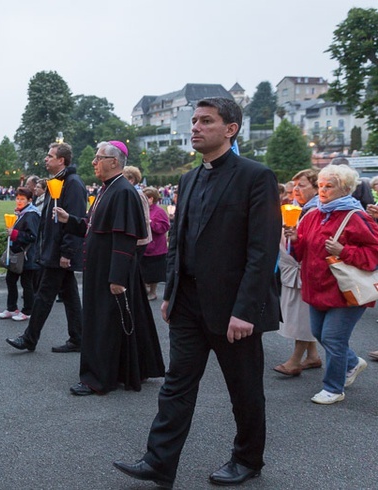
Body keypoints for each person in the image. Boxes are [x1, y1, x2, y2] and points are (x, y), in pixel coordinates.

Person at [113, 98, 281, 488]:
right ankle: (159, 462)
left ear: (231, 129)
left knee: (244, 390)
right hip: (188, 303)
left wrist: (246, 310)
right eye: (194, 120)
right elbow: (177, 243)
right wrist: (170, 292)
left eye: (207, 121)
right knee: (177, 386)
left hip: (234, 309)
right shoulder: (189, 179)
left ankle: (248, 459)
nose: (196, 127)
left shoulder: (256, 176)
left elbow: (263, 249)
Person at [54, 141, 165, 396]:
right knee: (111, 323)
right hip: (103, 269)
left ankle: (97, 379)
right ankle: (121, 371)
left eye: (98, 158)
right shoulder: (108, 189)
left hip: (110, 272)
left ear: (114, 162)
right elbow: (94, 228)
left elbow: (124, 238)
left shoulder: (123, 192)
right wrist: (69, 220)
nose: (94, 162)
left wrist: (117, 277)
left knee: (103, 325)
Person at [284, 164, 378, 404]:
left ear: (345, 189)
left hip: (345, 291)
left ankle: (333, 389)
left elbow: (374, 253)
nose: (323, 190)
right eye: (322, 185)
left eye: (330, 186)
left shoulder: (356, 216)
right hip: (317, 288)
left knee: (334, 339)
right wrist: (295, 239)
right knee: (319, 334)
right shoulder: (313, 214)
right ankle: (352, 362)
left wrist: (344, 251)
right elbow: (303, 253)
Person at [6, 142, 86, 353]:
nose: (46, 159)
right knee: (69, 296)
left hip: (59, 252)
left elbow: (75, 220)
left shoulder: (73, 184)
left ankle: (29, 338)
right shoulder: (56, 182)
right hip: (54, 249)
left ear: (61, 160)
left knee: (44, 295)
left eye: (50, 156)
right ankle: (78, 338)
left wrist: (67, 252)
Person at [273, 169, 322, 376]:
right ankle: (312, 355)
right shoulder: (297, 208)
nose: (296, 191)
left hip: (304, 270)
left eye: (302, 186)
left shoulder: (317, 210)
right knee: (297, 312)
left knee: (302, 314)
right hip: (291, 269)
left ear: (315, 187)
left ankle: (295, 360)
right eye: (294, 186)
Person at [0, 188, 40, 322]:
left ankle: (28, 310)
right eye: (18, 198)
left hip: (27, 255)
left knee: (26, 283)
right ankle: (11, 308)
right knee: (11, 280)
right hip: (18, 253)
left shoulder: (31, 215)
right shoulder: (22, 213)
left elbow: (33, 236)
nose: (19, 201)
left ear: (30, 200)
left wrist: (15, 234)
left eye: (22, 199)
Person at [141, 187, 170, 301]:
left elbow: (165, 227)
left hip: (156, 247)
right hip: (144, 246)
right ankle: (145, 290)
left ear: (151, 199)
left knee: (154, 272)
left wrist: (151, 224)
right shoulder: (143, 209)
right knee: (142, 270)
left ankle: (153, 292)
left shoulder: (159, 211)